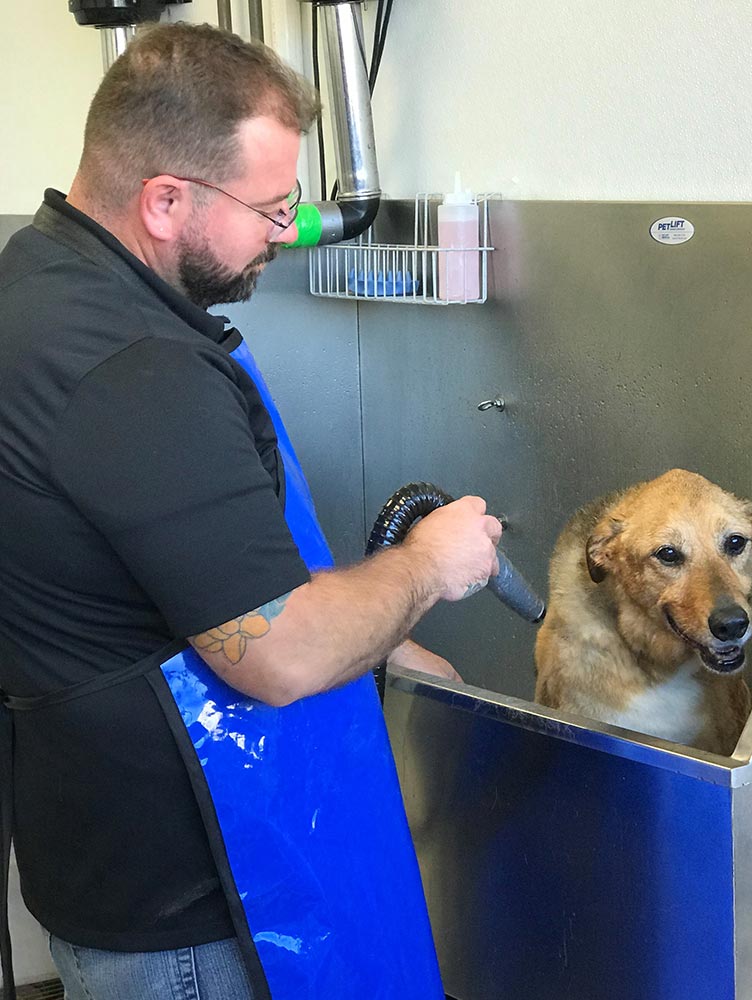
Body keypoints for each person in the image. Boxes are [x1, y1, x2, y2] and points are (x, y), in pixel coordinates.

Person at [0, 21, 500, 1000]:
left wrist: (379, 641)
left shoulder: (37, 282)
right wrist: (426, 569)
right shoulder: (138, 370)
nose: (286, 229)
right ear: (166, 200)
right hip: (192, 910)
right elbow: (274, 652)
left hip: (92, 861)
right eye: (268, 206)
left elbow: (168, 564)